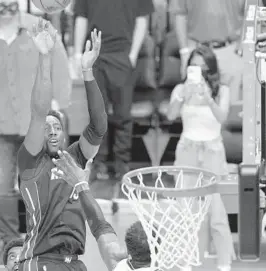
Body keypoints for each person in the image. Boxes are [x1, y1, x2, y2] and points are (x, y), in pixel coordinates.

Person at [17, 20, 125, 271]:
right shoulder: (30, 160)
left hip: (75, 263)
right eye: (46, 129)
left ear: (65, 134)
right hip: (41, 261)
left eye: (57, 127)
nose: (52, 131)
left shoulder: (75, 158)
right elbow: (39, 111)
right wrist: (44, 57)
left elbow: (98, 126)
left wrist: (87, 72)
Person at [0, 0, 71, 259]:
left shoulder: (39, 26)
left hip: (36, 121)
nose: (6, 3)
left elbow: (60, 64)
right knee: (2, 188)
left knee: (43, 184)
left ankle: (43, 242)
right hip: (2, 124)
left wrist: (58, 106)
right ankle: (10, 247)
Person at [167, 45, 235, 271]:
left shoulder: (221, 90)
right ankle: (186, 260)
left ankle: (224, 263)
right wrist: (181, 95)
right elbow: (170, 115)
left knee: (216, 212)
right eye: (193, 66)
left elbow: (222, 118)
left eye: (202, 67)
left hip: (212, 151)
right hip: (187, 149)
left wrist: (208, 98)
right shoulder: (181, 87)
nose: (197, 71)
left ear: (210, 68)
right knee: (185, 209)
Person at [73, 0, 154, 182]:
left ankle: (122, 164)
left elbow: (142, 20)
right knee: (97, 114)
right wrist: (78, 54)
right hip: (95, 54)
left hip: (122, 54)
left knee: (123, 114)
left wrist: (132, 53)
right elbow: (81, 18)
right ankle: (98, 161)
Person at [169, 0, 245, 103]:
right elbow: (179, 14)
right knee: (195, 106)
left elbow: (251, 12)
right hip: (197, 53)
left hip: (230, 50)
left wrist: (241, 48)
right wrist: (184, 52)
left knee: (231, 106)